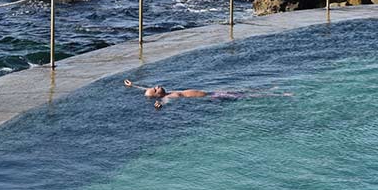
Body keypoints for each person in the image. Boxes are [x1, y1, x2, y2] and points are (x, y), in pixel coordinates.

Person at [123, 78, 292, 109]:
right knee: (245, 96)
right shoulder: (168, 98)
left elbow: (144, 89)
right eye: (155, 88)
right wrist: (158, 107)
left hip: (212, 92)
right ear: (157, 95)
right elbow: (163, 104)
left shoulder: (166, 92)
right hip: (213, 97)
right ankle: (277, 96)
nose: (157, 85)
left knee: (243, 91)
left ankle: (269, 90)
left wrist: (133, 85)